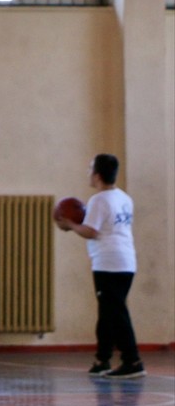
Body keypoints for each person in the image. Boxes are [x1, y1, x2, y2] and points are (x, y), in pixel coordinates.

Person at [56, 153, 144, 379]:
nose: (88, 173)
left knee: (116, 312)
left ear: (97, 174)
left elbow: (91, 231)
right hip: (126, 261)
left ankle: (132, 360)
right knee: (107, 312)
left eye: (89, 169)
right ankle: (102, 359)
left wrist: (71, 224)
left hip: (109, 263)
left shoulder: (99, 200)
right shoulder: (124, 197)